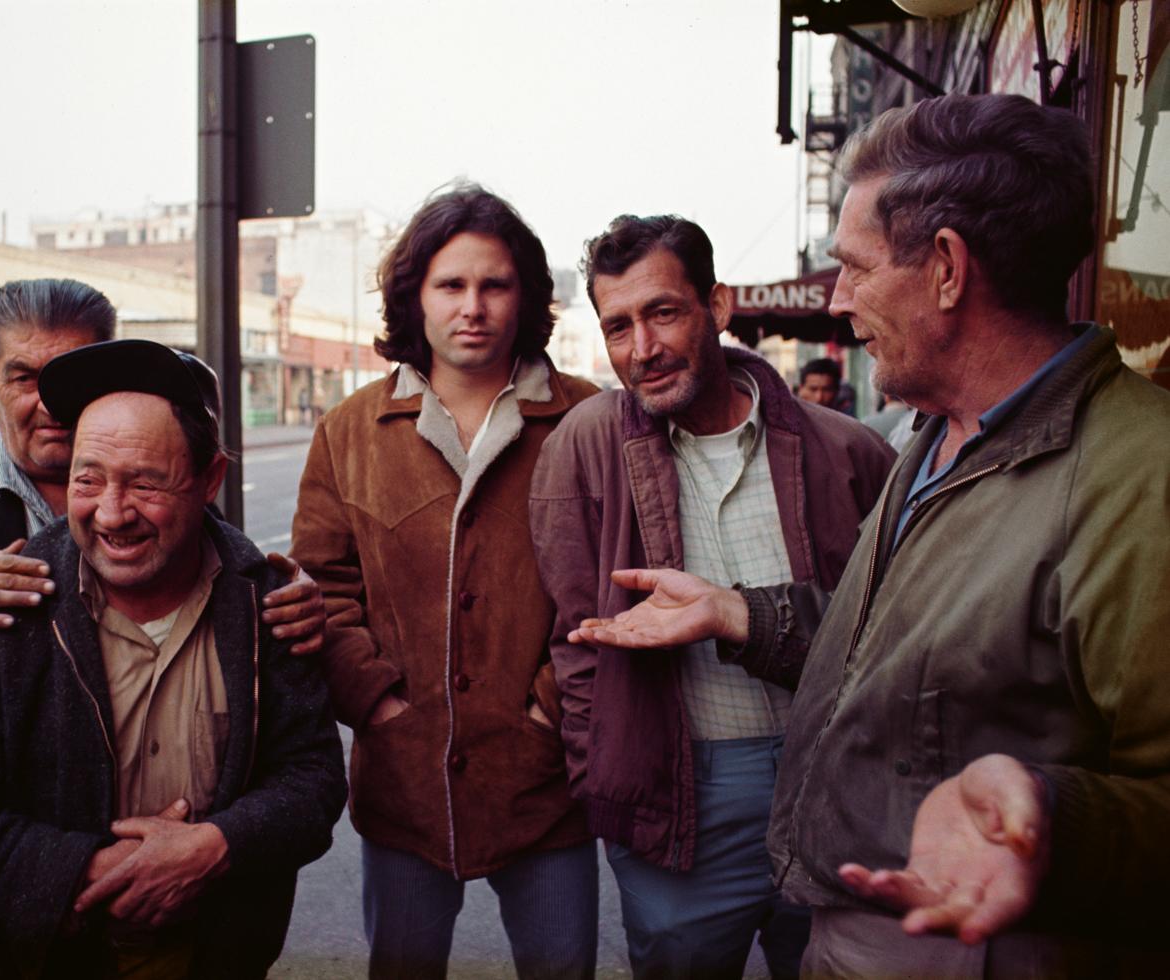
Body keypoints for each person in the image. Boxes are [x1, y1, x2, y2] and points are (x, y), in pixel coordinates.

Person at [570, 94, 1170, 975]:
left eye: (854, 267)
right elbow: (898, 655)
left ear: (948, 270)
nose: (840, 297)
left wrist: (1056, 818)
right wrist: (737, 612)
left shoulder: (1139, 481)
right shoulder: (933, 436)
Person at [0, 339, 346, 979]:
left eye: (146, 483)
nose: (111, 512)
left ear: (209, 480)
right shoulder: (6, 608)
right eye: (88, 478)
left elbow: (314, 780)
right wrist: (93, 872)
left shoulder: (266, 601)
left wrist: (217, 847)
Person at [529, 214, 893, 979]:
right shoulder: (586, 445)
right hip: (679, 792)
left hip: (832, 781)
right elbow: (575, 637)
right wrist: (608, 778)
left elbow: (897, 627)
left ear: (717, 307)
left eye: (662, 312)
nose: (642, 350)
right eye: (618, 325)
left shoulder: (848, 449)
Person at [289, 184, 600, 979]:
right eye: (450, 285)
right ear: (414, 298)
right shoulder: (351, 429)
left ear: (526, 295)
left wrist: (548, 709)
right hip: (405, 782)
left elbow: (613, 583)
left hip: (545, 781)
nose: (474, 307)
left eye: (494, 285)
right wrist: (379, 704)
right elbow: (322, 586)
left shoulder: (588, 419)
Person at [0, 278, 323, 741]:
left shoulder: (163, 486)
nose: (50, 405)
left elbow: (231, 591)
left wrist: (287, 601)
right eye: (25, 378)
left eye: (64, 376)